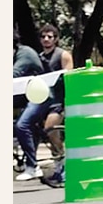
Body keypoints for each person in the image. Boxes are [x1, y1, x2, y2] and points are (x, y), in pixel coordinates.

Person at [38, 24, 73, 160]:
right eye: (43, 36)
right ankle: (58, 165)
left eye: (49, 37)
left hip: (59, 102)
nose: (46, 39)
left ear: (56, 39)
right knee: (47, 135)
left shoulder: (63, 55)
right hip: (43, 102)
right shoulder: (39, 57)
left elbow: (69, 78)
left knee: (51, 130)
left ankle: (62, 161)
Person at [13, 31, 46, 181]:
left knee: (22, 125)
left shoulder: (24, 53)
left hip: (42, 96)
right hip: (25, 95)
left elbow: (14, 74)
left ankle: (33, 167)